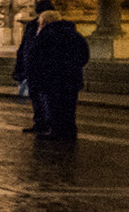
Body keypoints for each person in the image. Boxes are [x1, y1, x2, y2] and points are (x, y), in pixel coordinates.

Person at [25, 9, 89, 141]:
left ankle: (57, 132)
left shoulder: (46, 35)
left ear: (45, 22)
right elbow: (84, 55)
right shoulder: (74, 34)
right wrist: (74, 67)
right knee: (69, 108)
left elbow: (35, 57)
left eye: (40, 22)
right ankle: (70, 132)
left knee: (55, 107)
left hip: (52, 79)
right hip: (72, 79)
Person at [11, 0, 50, 132]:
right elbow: (24, 48)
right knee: (36, 99)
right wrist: (20, 68)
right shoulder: (32, 26)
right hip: (33, 70)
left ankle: (52, 126)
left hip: (48, 71)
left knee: (49, 100)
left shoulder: (57, 27)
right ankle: (39, 124)